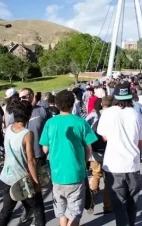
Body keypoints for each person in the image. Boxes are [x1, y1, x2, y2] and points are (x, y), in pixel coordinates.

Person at [40, 90, 98, 226]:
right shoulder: (81, 122)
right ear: (72, 104)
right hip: (76, 173)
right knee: (74, 213)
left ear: (57, 105)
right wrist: (84, 161)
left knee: (62, 212)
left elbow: (44, 149)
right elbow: (89, 148)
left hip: (57, 174)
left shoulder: (50, 123)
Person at [97, 82, 142, 226]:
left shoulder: (107, 113)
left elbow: (104, 136)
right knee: (132, 203)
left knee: (119, 205)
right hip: (132, 165)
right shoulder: (136, 114)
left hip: (114, 166)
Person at [0, 99, 46, 226]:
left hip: (8, 176)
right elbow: (30, 160)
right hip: (23, 178)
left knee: (6, 211)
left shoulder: (8, 129)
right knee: (38, 207)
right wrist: (36, 183)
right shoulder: (27, 134)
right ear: (28, 115)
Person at [18, 88, 49, 223]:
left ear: (31, 96)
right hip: (23, 157)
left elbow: (49, 129)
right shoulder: (18, 113)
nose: (21, 100)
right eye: (20, 98)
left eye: (24, 97)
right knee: (23, 189)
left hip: (38, 155)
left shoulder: (42, 110)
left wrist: (47, 146)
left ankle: (38, 219)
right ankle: (28, 208)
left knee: (37, 189)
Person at [86, 97, 113, 214]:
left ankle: (91, 200)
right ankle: (107, 206)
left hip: (95, 151)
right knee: (108, 180)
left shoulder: (92, 116)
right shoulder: (113, 116)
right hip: (109, 151)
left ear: (102, 104)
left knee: (95, 175)